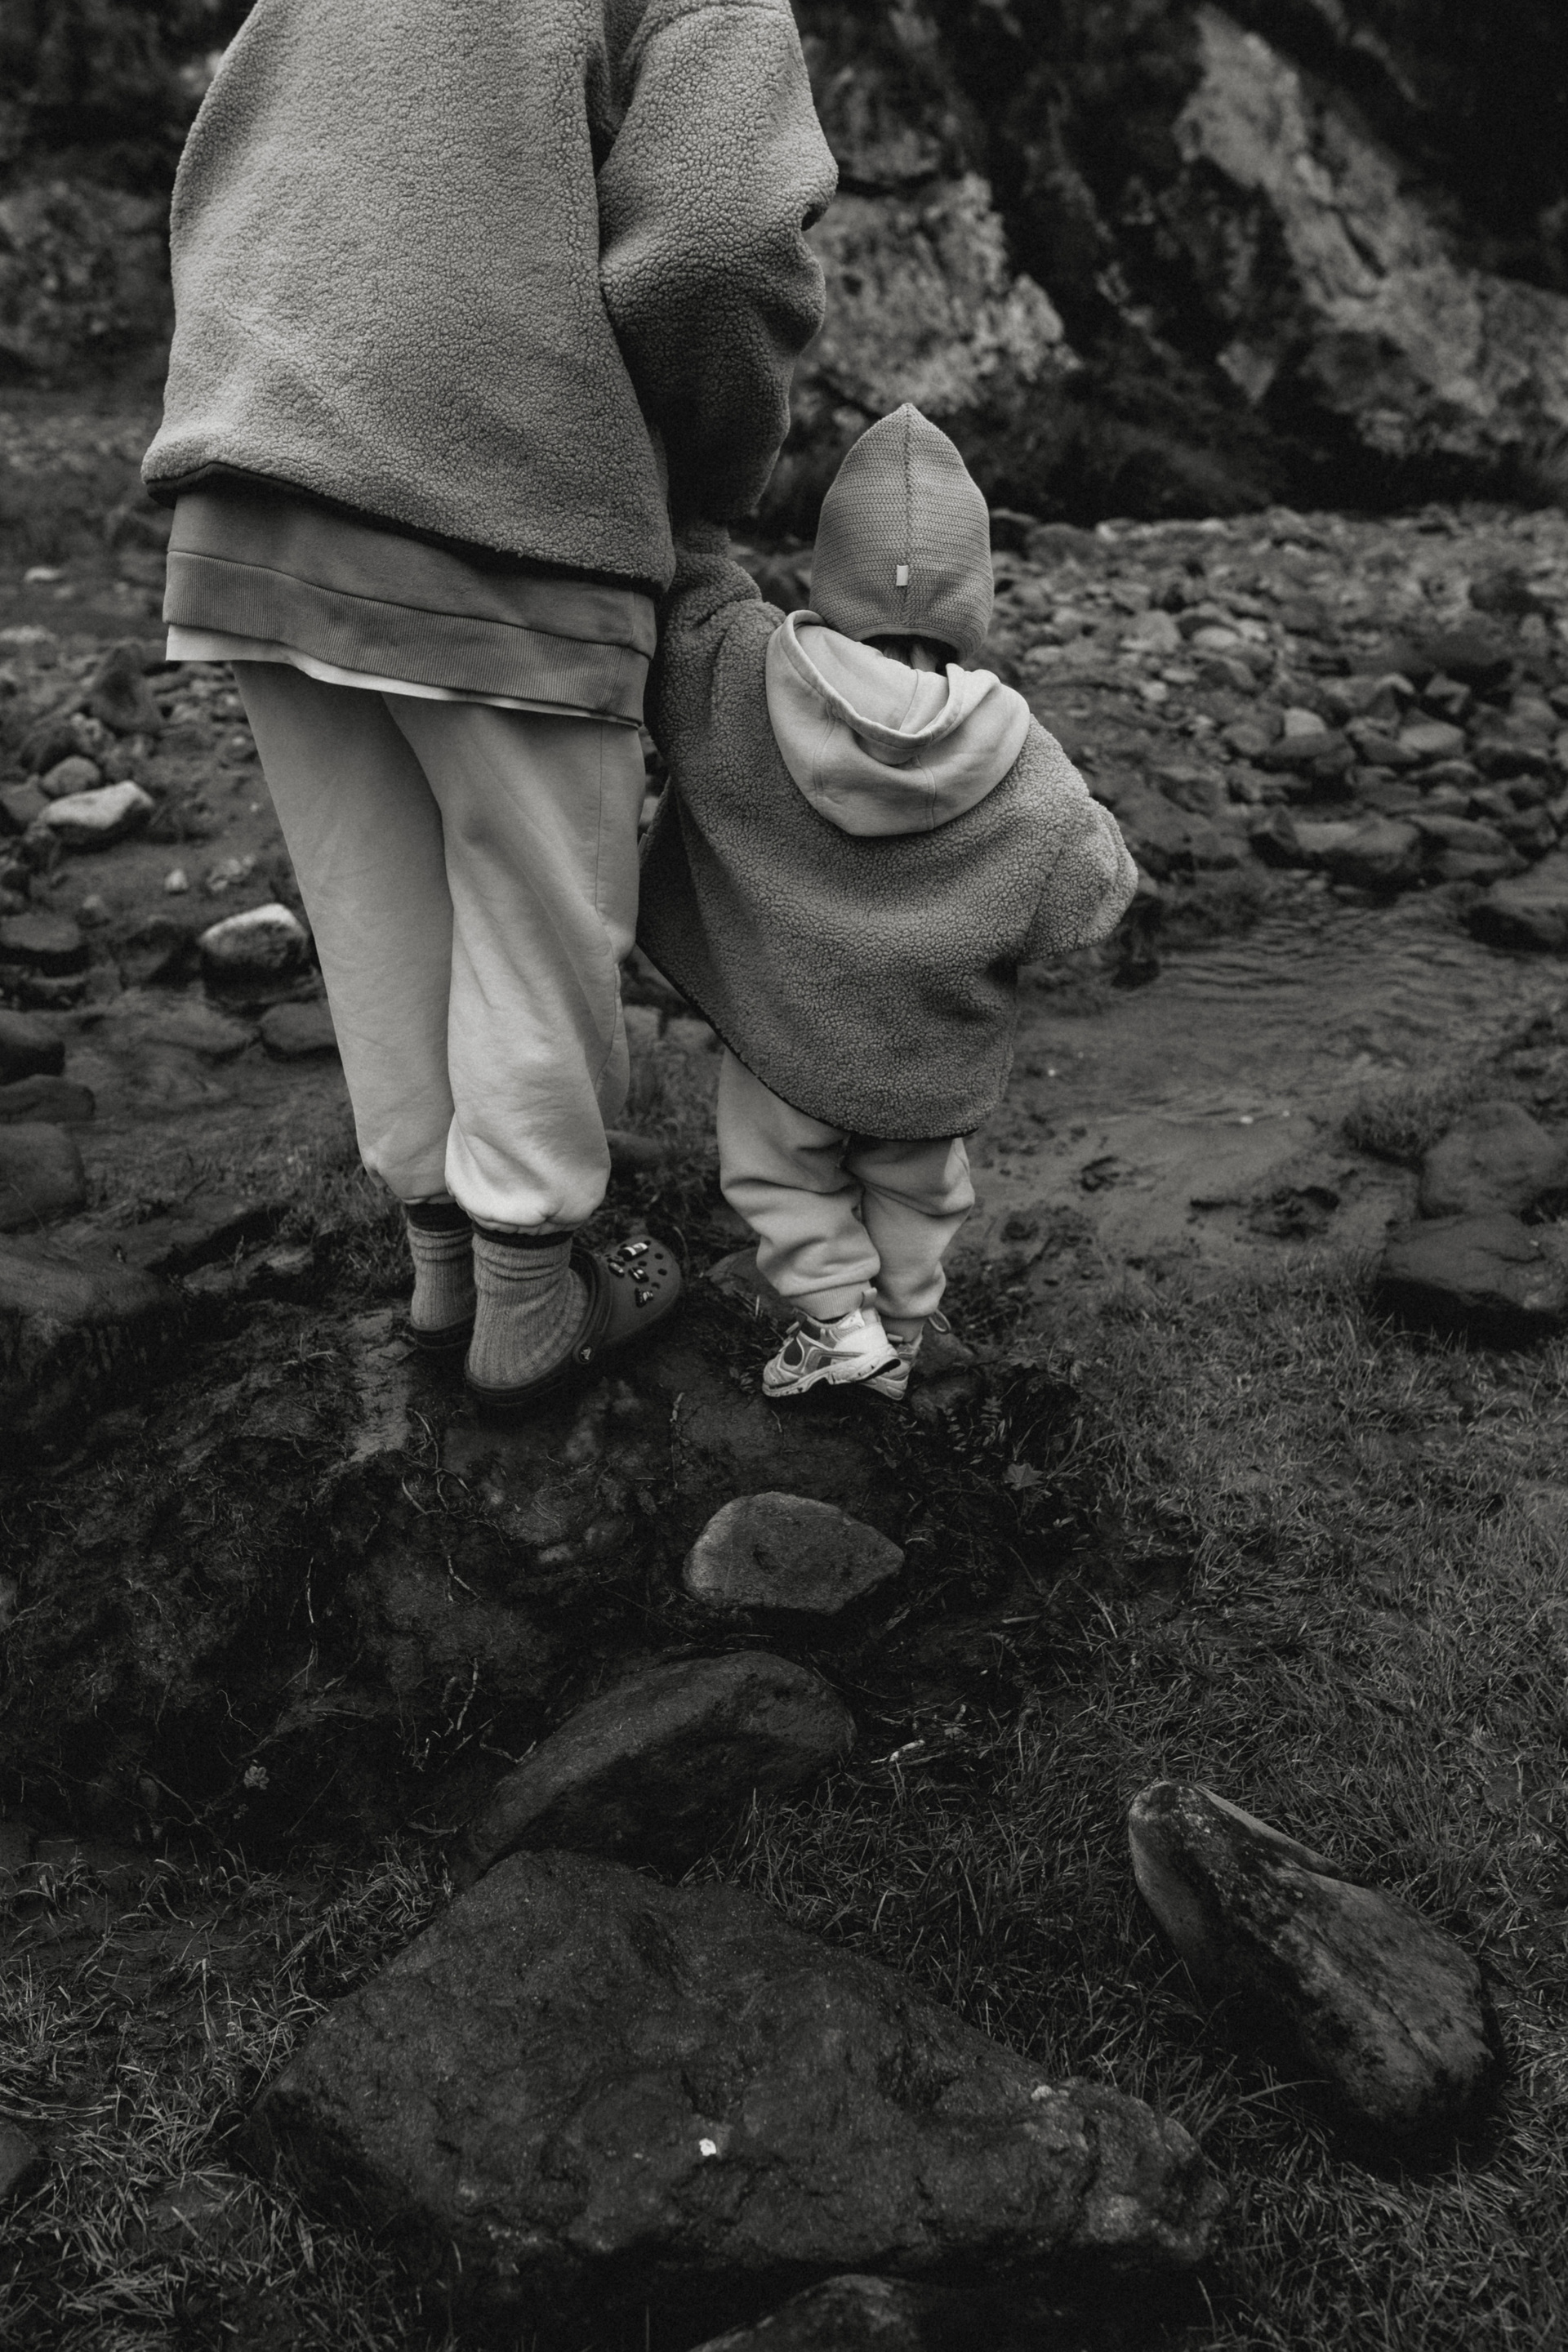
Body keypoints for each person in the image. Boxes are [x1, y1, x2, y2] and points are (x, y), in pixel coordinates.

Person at [140, 0, 837, 1412]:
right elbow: (717, 241)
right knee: (536, 909)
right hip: (507, 486)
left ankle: (442, 1266)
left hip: (253, 465)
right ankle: (529, 1297)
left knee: (371, 902)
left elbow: (225, 154)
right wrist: (704, 488)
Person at [637, 403, 1138, 1400]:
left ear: (831, 572)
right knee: (920, 1192)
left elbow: (687, 586)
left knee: (779, 1172)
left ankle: (835, 1320)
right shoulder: (1025, 759)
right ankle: (901, 1334)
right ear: (974, 597)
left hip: (786, 1026)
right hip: (923, 1053)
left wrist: (692, 470)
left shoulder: (741, 667)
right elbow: (1097, 888)